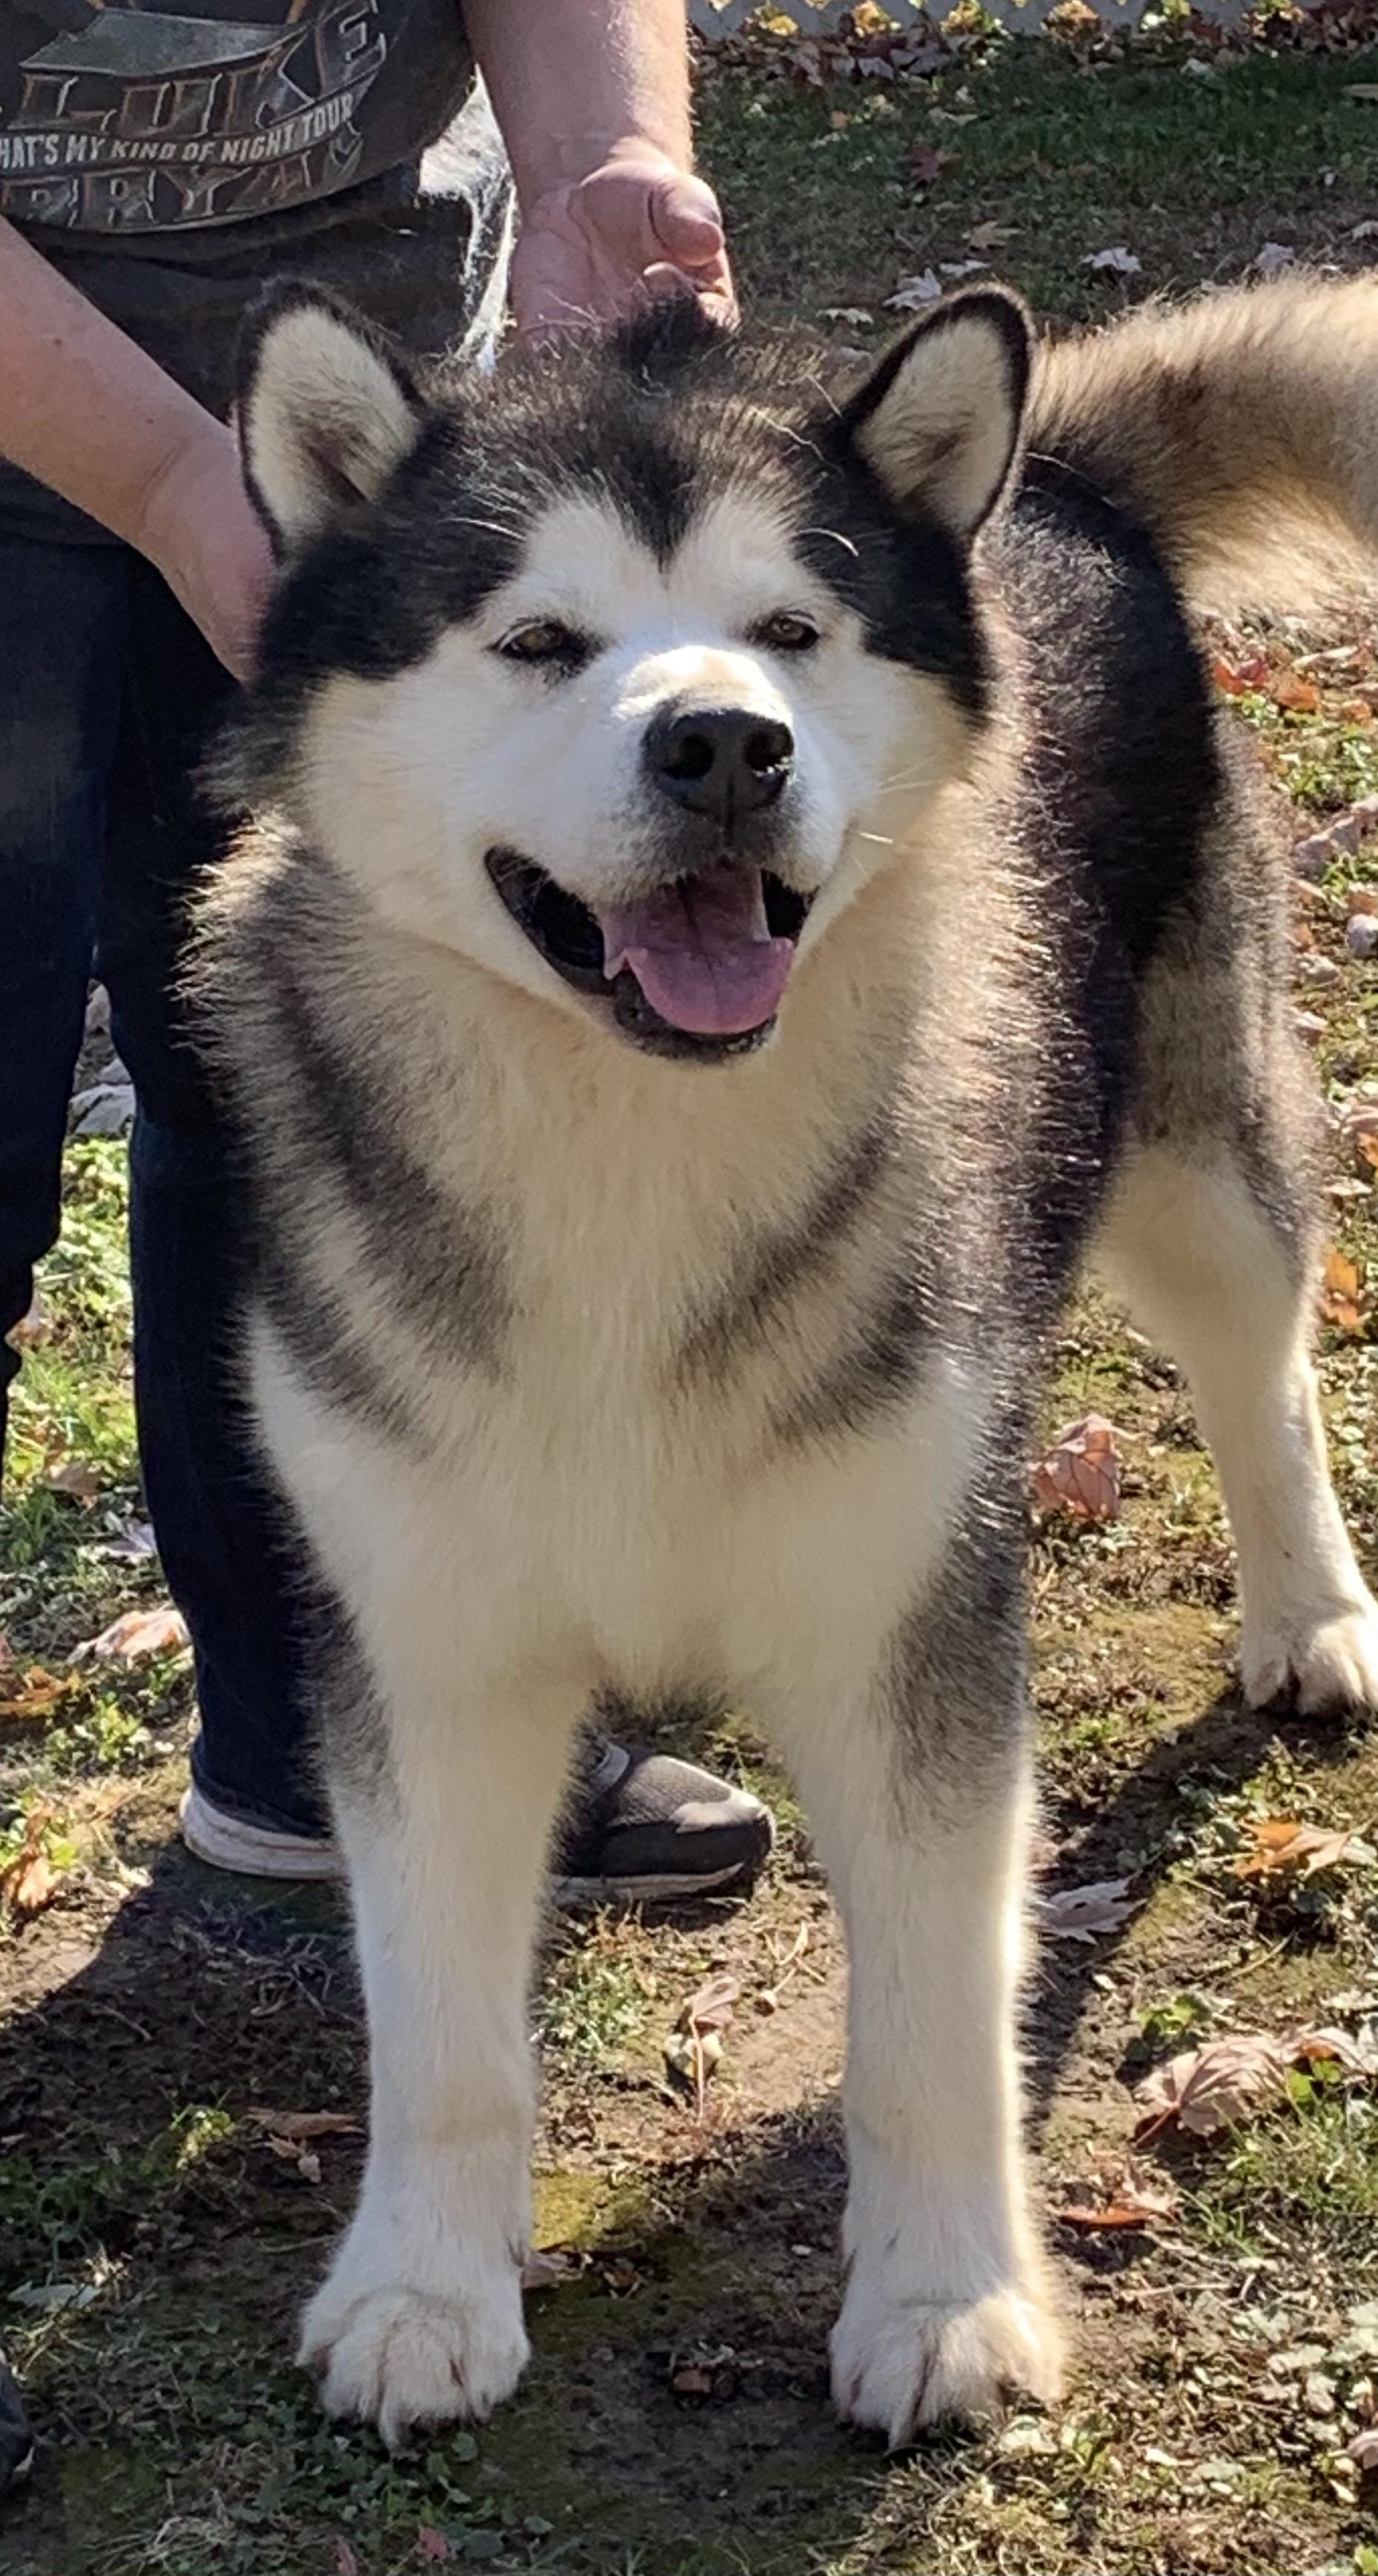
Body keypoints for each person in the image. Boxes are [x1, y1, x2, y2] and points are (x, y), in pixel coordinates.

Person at [0, 0, 773, 1902]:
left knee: (304, 1125)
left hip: (366, 424)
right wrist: (173, 483)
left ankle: (333, 1759)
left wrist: (602, 158)